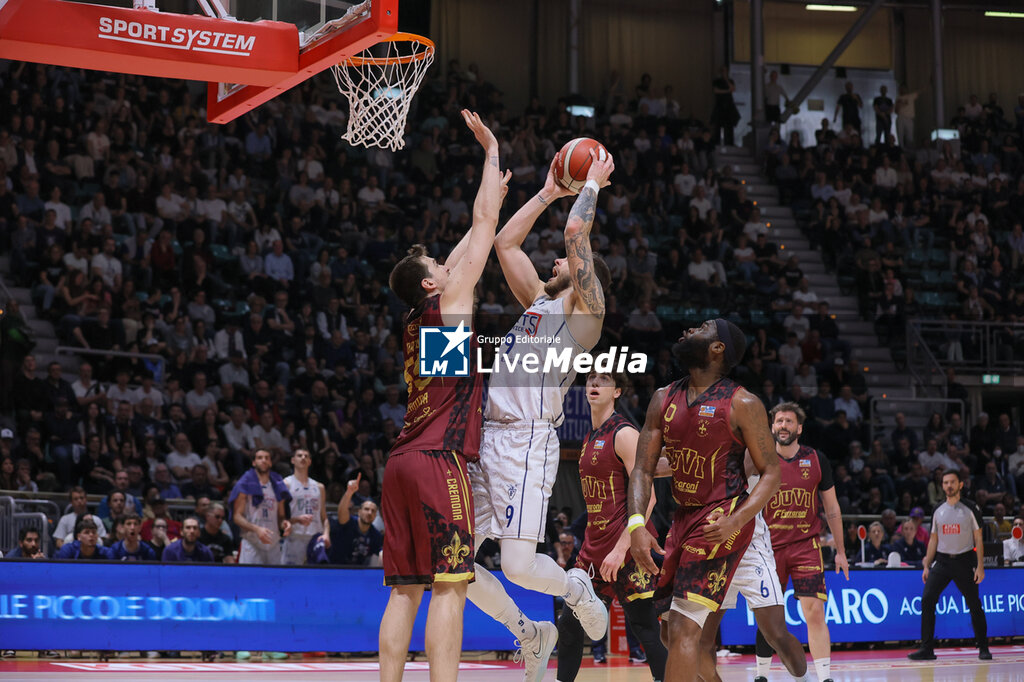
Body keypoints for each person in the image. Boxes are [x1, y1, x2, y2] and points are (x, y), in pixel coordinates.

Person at [465, 147, 615, 680]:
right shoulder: (539, 302)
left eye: (564, 263)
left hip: (527, 442)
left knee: (518, 566)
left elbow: (576, 235)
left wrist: (591, 183)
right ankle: (530, 634)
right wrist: (549, 191)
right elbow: (505, 242)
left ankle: (576, 589)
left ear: (584, 276)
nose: (554, 262)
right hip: (487, 439)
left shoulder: (584, 317)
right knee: (451, 562)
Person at [378, 110, 506, 682]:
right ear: (431, 282)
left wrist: (492, 191)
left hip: (401, 461)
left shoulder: (419, 317)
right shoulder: (449, 305)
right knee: (450, 585)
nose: (446, 263)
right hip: (437, 461)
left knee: (405, 589)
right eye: (437, 265)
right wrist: (491, 152)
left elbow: (462, 251)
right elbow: (482, 223)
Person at [627, 319, 782, 682]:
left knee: (684, 628)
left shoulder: (743, 402)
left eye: (702, 328)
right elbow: (642, 469)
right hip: (682, 518)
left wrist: (736, 520)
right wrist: (636, 525)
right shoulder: (663, 397)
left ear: (717, 348)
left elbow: (772, 473)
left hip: (720, 518)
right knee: (670, 633)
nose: (688, 330)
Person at [555, 372, 668, 682]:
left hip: (626, 547)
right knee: (569, 625)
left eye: (604, 379)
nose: (594, 384)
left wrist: (621, 549)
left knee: (645, 626)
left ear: (617, 391)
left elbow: (649, 498)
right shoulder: (590, 436)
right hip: (594, 549)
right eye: (591, 378)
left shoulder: (625, 433)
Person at [752, 403, 848, 682]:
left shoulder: (816, 459)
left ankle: (825, 677)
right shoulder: (759, 460)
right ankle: (761, 675)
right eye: (779, 421)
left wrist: (841, 551)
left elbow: (832, 508)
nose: (783, 425)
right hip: (769, 547)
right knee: (769, 616)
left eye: (789, 421)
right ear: (772, 427)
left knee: (815, 611)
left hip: (806, 546)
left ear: (799, 428)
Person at [908, 470, 990, 661]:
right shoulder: (938, 509)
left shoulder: (971, 508)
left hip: (964, 560)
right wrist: (927, 565)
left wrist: (980, 566)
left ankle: (983, 647)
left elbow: (979, 538)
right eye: (945, 483)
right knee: (927, 600)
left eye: (952, 482)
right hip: (943, 561)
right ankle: (927, 649)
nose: (949, 486)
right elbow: (933, 539)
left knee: (974, 604)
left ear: (960, 484)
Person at [228, 449, 292, 565]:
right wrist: (257, 529)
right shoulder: (244, 484)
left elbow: (281, 516)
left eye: (267, 458)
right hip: (252, 542)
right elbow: (237, 516)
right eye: (260, 458)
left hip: (273, 542)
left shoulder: (278, 485)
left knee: (275, 576)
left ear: (271, 463)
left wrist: (285, 524)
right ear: (254, 462)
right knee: (250, 577)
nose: (264, 460)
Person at [281, 448, 328, 565]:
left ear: (310, 462)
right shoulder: (286, 484)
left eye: (306, 456)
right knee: (292, 574)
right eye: (299, 455)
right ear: (293, 460)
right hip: (295, 537)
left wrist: (326, 534)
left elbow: (324, 517)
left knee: (315, 574)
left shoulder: (319, 487)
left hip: (315, 538)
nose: (303, 458)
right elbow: (280, 516)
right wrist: (296, 520)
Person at [332, 475, 383, 565]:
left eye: (373, 511)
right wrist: (349, 492)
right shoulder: (349, 522)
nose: (369, 513)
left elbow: (380, 552)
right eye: (366, 509)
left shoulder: (376, 535)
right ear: (359, 512)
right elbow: (341, 512)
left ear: (375, 516)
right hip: (336, 568)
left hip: (359, 571)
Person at [711, 66, 739, 146]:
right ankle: (717, 142)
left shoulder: (730, 81)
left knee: (729, 126)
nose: (724, 73)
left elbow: (733, 89)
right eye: (722, 71)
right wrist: (727, 91)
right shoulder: (717, 81)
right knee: (718, 125)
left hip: (729, 106)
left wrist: (726, 80)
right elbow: (716, 91)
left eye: (725, 71)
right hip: (720, 105)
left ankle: (729, 143)